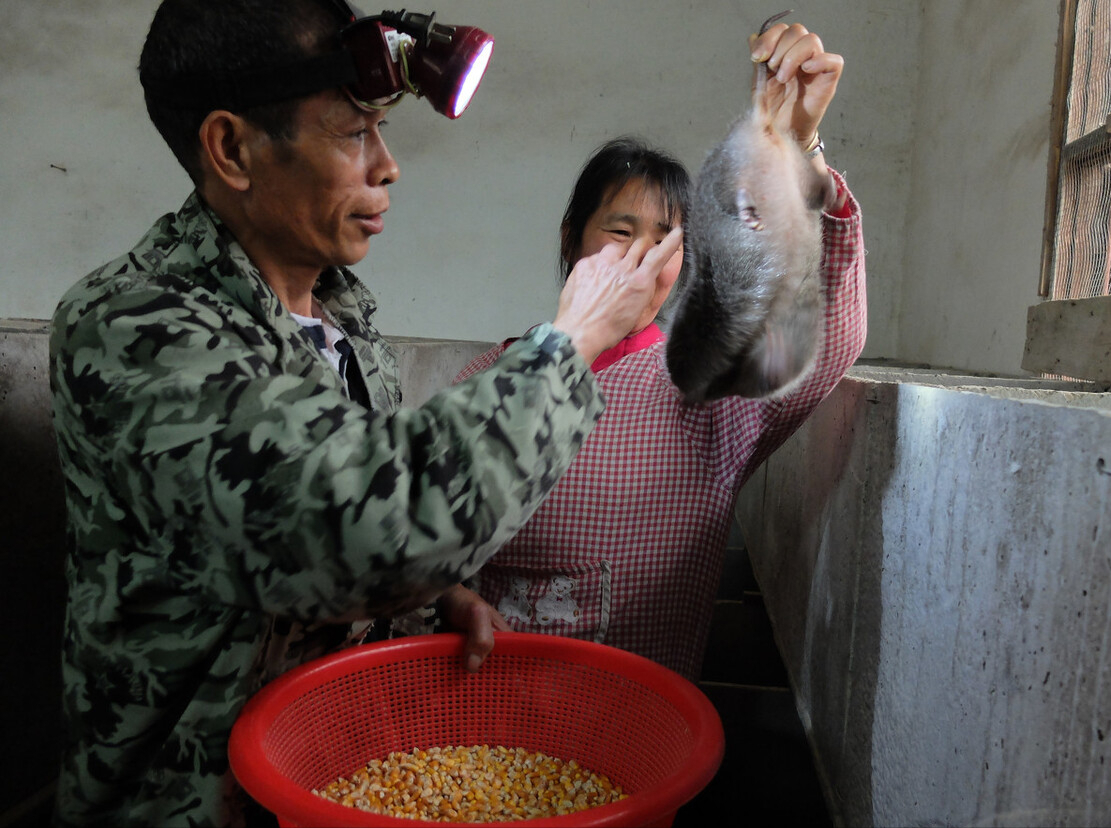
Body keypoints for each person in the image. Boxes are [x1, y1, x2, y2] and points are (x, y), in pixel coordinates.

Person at [47, 1, 681, 825]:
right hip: (190, 801)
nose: (388, 167)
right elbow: (369, 534)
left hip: (328, 780)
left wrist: (428, 599)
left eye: (381, 130)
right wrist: (573, 339)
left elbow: (346, 526)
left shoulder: (340, 318)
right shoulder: (133, 328)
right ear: (232, 149)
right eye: (353, 134)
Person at [453, 21, 867, 681]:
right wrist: (450, 597)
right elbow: (416, 546)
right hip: (485, 731)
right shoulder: (488, 379)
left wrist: (800, 149)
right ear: (571, 241)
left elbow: (827, 335)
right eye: (619, 230)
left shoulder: (703, 390)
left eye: (667, 237)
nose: (642, 256)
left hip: (639, 735)